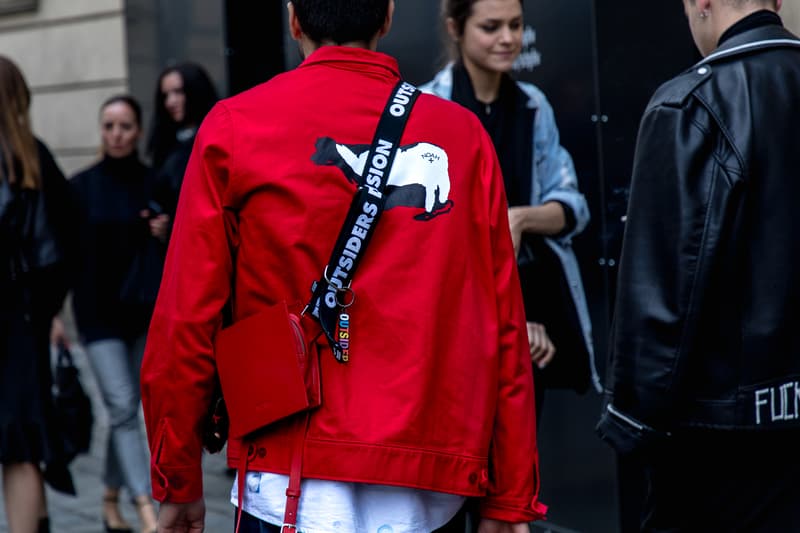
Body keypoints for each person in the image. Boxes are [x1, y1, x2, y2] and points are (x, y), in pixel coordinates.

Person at [140, 0, 546, 532]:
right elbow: (503, 328)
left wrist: (177, 476)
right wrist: (510, 498)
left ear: (293, 19)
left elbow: (185, 319)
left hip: (287, 484)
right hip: (431, 489)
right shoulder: (464, 136)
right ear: (387, 16)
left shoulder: (234, 127)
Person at [596, 1, 800, 530]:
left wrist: (631, 420)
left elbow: (662, 291)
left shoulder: (692, 103)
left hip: (721, 436)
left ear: (699, 3)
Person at [421, 0, 600, 420]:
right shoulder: (429, 107)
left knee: (521, 465)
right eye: (491, 27)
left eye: (516, 25)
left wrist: (518, 218)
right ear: (455, 28)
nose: (507, 38)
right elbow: (427, 230)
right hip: (459, 323)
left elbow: (572, 207)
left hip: (533, 321)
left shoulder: (532, 105)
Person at [69, 95, 166, 533]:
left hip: (140, 314)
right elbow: (63, 254)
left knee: (125, 409)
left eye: (125, 126)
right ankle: (146, 508)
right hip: (96, 316)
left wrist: (163, 230)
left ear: (139, 131)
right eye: (109, 126)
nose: (116, 134)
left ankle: (109, 500)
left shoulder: (153, 182)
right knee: (125, 407)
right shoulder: (81, 186)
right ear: (101, 131)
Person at [0, 55, 75, 533]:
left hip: (16, 320)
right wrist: (47, 311)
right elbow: (59, 249)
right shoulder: (32, 157)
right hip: (20, 322)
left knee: (20, 441)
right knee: (23, 442)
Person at [146, 62, 218, 218]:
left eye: (178, 92)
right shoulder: (165, 142)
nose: (170, 102)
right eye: (165, 95)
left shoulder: (214, 136)